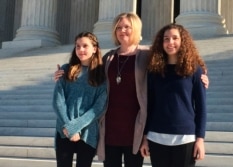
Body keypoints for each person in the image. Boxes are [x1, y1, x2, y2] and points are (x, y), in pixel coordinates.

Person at [53, 13, 209, 167]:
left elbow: (175, 60)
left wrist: (201, 73)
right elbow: (88, 71)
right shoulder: (108, 58)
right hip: (111, 129)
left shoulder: (148, 56)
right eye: (119, 27)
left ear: (135, 28)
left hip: (135, 129)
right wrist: (64, 71)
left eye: (127, 27)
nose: (122, 31)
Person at [140, 23, 207, 167]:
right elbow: (149, 105)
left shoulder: (194, 70)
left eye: (175, 38)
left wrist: (200, 139)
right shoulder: (154, 71)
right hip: (156, 137)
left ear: (183, 41)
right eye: (166, 39)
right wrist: (145, 137)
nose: (170, 42)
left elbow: (201, 108)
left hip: (185, 138)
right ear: (161, 42)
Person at [52, 32, 107, 167]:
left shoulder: (101, 74)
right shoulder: (66, 70)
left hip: (88, 132)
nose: (81, 50)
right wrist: (68, 127)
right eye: (77, 46)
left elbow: (98, 107)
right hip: (64, 131)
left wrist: (75, 126)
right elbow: (58, 101)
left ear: (94, 48)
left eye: (85, 46)